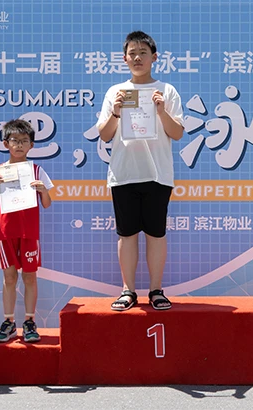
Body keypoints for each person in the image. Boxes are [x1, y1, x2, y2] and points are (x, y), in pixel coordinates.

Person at [96, 31, 184, 311]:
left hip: (157, 174)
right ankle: (128, 290)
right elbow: (105, 134)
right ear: (124, 59)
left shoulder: (166, 91)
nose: (137, 58)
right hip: (124, 173)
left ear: (154, 58)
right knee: (127, 234)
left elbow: (177, 133)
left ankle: (156, 290)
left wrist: (161, 111)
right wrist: (116, 111)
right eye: (132, 53)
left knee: (156, 233)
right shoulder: (116, 92)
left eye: (143, 53)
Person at [0, 119, 53, 343]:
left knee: (30, 276)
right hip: (6, 232)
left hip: (29, 232)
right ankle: (9, 322)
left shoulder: (36, 170)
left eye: (24, 141)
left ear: (31, 145)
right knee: (9, 278)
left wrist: (43, 191)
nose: (19, 145)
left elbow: (47, 204)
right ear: (5, 143)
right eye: (14, 140)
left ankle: (29, 321)